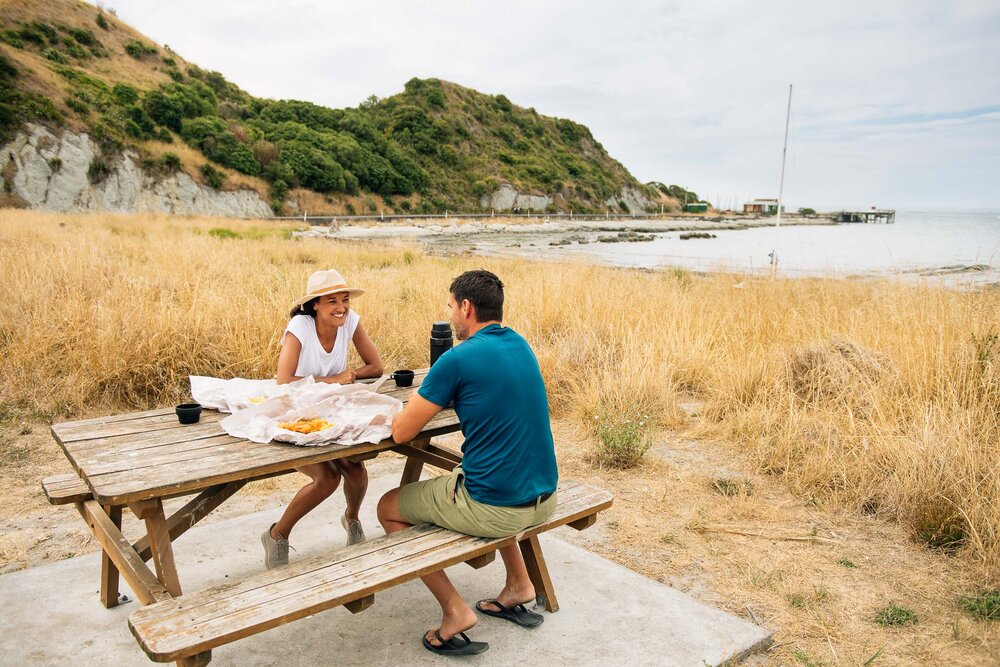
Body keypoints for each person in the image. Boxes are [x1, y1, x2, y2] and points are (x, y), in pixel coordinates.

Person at [377, 269, 559, 656]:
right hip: (544, 498)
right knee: (472, 468)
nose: (450, 314)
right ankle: (519, 584)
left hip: (497, 509)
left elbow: (402, 433)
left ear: (466, 306)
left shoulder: (457, 359)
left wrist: (397, 412)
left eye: (450, 306)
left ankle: (454, 611)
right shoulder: (521, 344)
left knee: (388, 508)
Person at [260, 269, 384, 569]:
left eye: (345, 300)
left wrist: (351, 374)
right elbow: (284, 380)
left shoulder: (350, 322)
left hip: (331, 411)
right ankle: (277, 534)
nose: (341, 307)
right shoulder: (300, 325)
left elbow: (377, 366)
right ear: (315, 304)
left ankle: (352, 518)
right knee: (327, 478)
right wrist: (332, 380)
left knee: (355, 470)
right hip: (293, 414)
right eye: (332, 301)